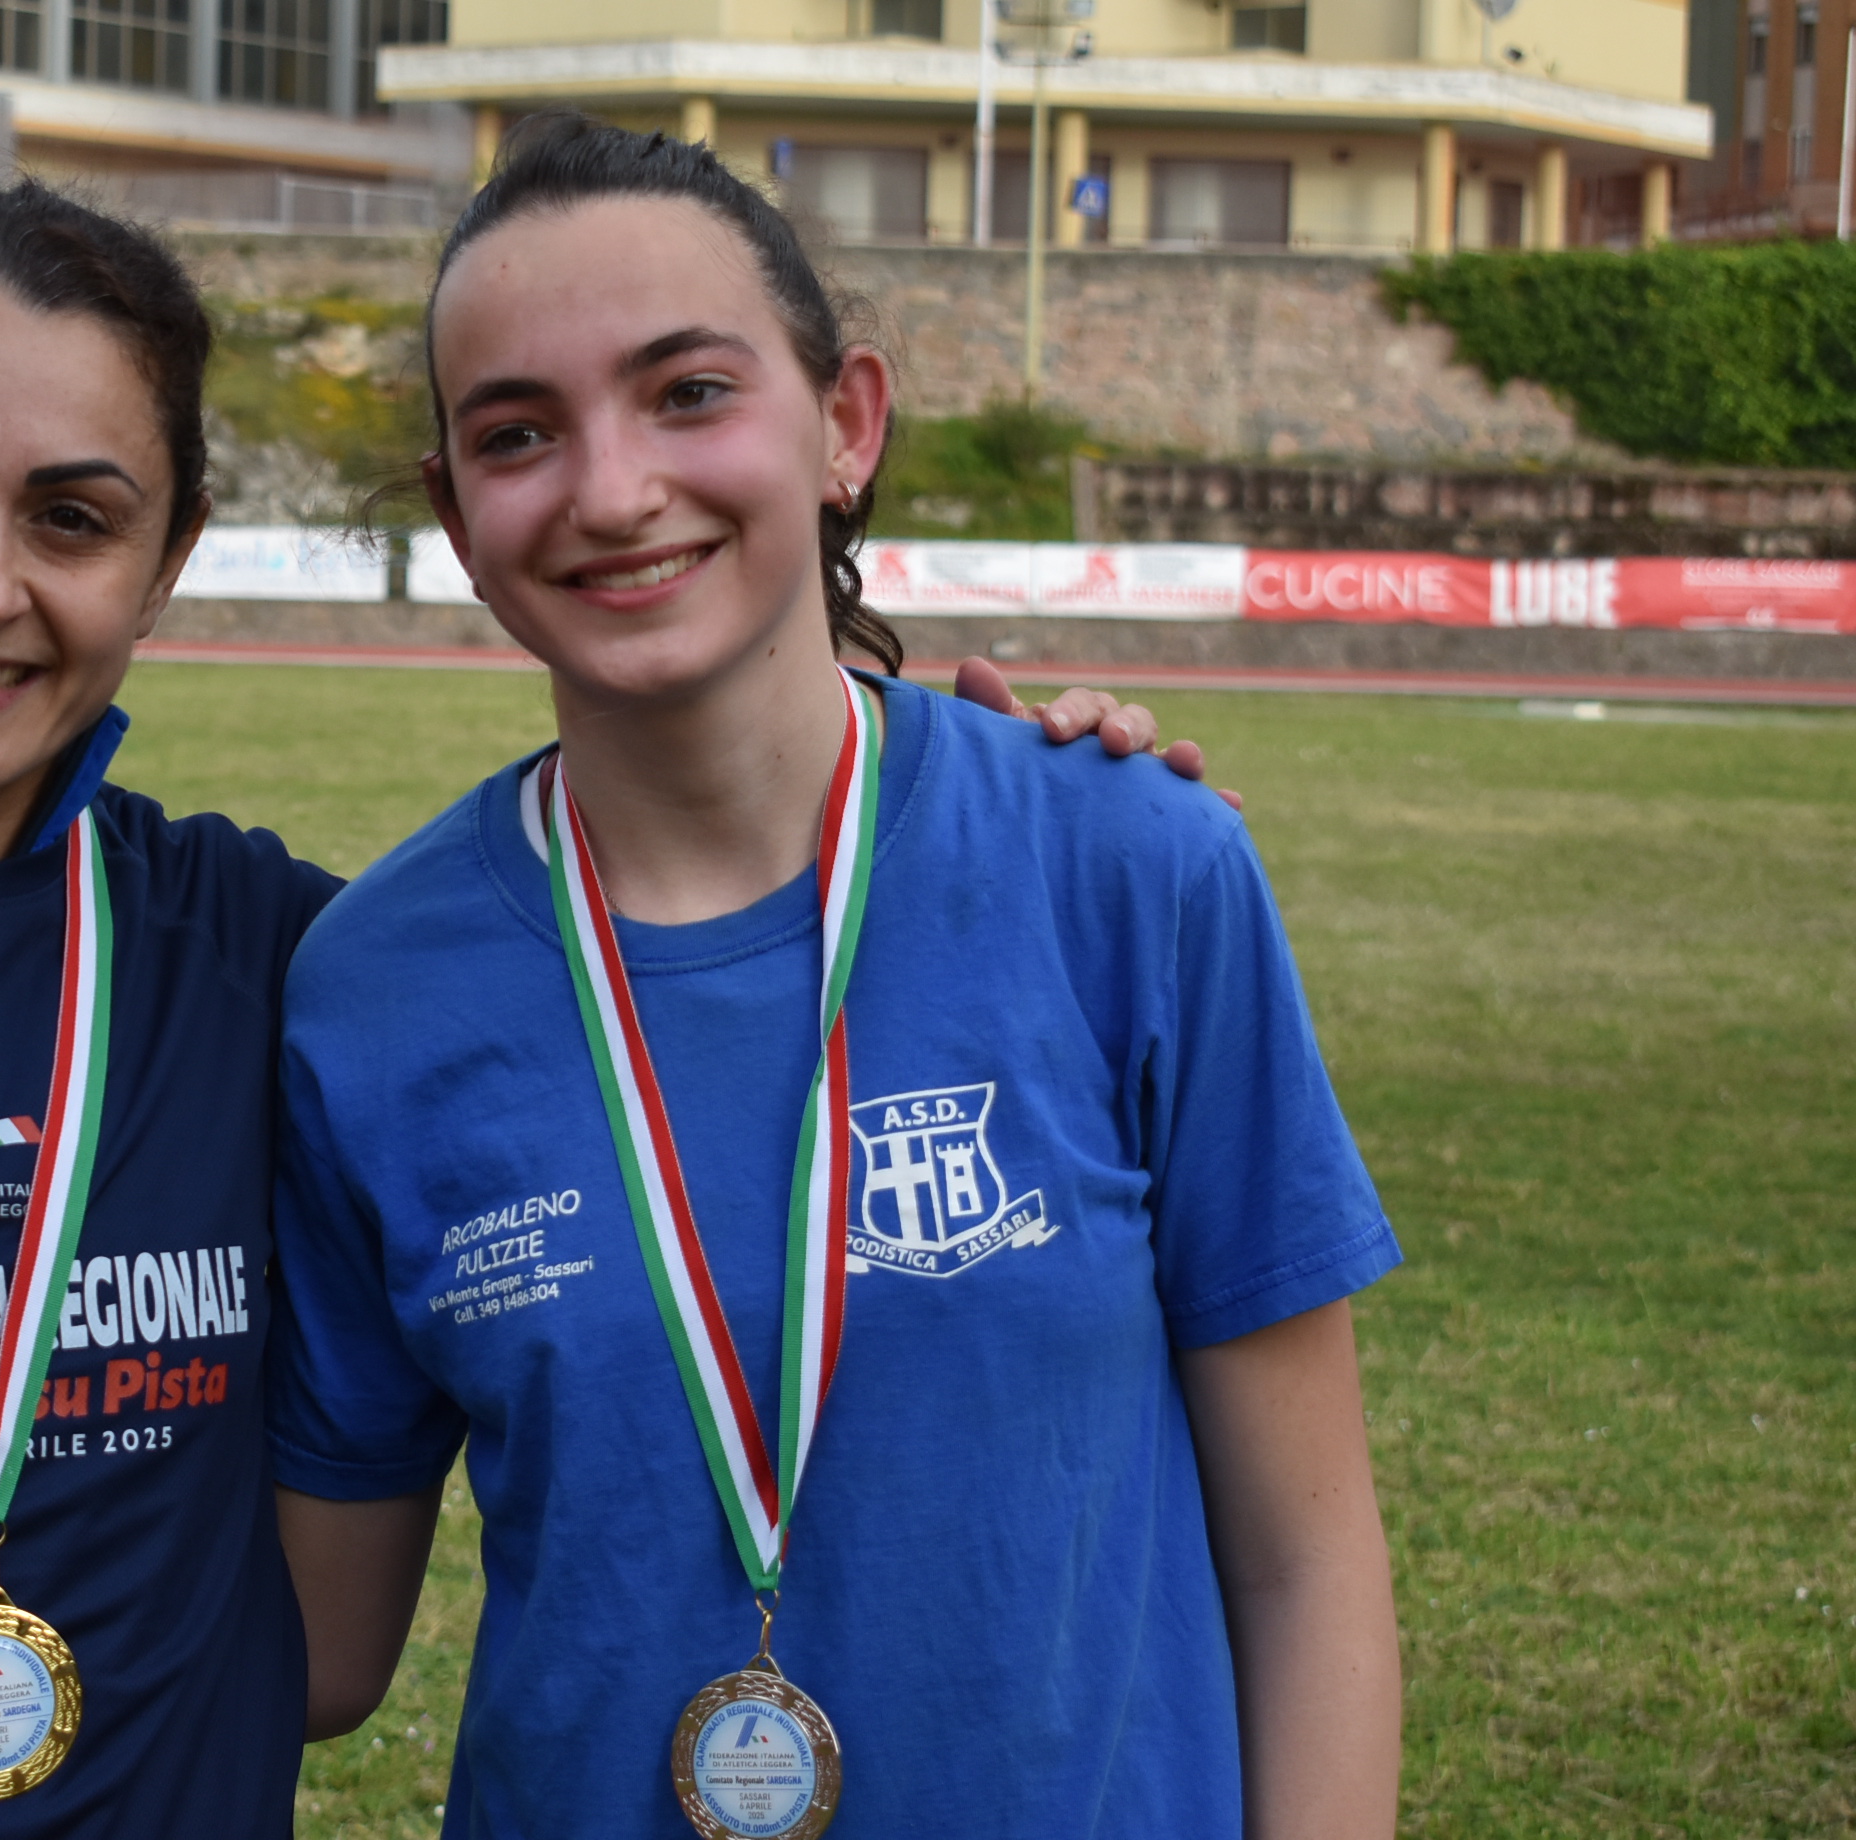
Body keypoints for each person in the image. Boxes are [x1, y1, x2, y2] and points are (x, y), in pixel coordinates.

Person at [0, 174, 1205, 1838]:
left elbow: (696, 961)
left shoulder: (285, 965)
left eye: (72, 518)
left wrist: (987, 785)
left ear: (165, 561)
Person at [270, 114, 1404, 1840]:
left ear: (845, 424)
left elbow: (1304, 1559)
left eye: (689, 392)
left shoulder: (1131, 869)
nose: (610, 489)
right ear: (457, 514)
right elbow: (320, 1650)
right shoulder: (370, 989)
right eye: (517, 434)